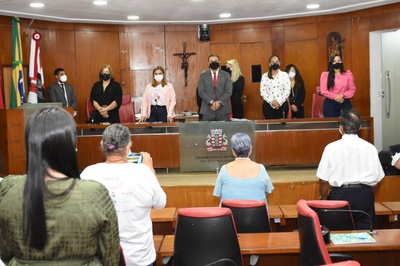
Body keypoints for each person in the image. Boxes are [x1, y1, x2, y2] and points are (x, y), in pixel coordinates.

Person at [0, 107, 120, 265]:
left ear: (31, 145)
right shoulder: (94, 193)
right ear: (71, 146)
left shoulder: (8, 189)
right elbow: (110, 257)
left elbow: (6, 252)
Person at [81, 123, 167, 266]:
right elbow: (161, 203)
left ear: (102, 145)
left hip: (100, 257)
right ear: (128, 146)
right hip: (139, 258)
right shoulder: (143, 173)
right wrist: (150, 169)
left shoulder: (88, 173)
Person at [317, 109, 385, 230]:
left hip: (339, 196)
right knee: (366, 238)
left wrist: (324, 201)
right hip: (365, 196)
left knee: (337, 236)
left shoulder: (331, 148)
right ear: (360, 127)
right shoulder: (371, 148)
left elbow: (323, 181)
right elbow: (378, 180)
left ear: (341, 128)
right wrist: (366, 194)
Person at [213, 133, 274, 205]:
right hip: (257, 216)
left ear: (233, 151)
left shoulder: (224, 169)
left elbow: (218, 195)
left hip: (230, 215)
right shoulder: (261, 168)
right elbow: (268, 192)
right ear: (251, 149)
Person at [198, 54, 233, 121]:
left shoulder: (226, 75)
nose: (214, 62)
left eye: (215, 61)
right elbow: (201, 91)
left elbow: (228, 91)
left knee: (224, 130)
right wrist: (211, 102)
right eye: (211, 61)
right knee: (207, 131)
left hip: (223, 110)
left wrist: (219, 102)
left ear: (219, 62)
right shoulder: (203, 76)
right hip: (207, 110)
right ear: (208, 63)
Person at [260, 55, 291, 119]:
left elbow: (287, 90)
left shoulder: (284, 75)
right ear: (269, 64)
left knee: (281, 127)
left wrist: (279, 102)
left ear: (279, 63)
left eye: (276, 62)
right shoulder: (265, 76)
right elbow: (262, 91)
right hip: (268, 106)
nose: (275, 63)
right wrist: (272, 102)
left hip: (282, 105)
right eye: (272, 62)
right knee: (270, 127)